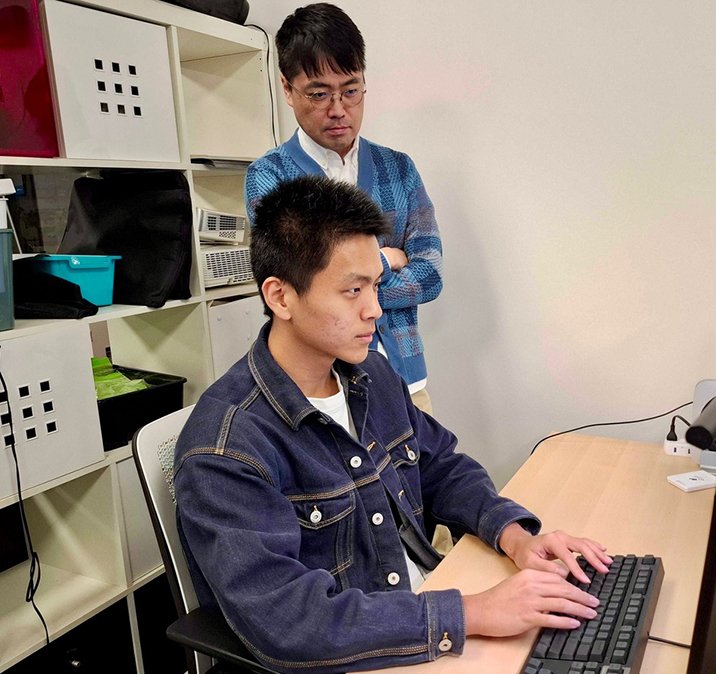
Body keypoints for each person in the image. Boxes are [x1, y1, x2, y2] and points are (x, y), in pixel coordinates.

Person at [175, 175, 613, 674]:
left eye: (376, 285)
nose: (375, 310)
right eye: (352, 291)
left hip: (418, 616)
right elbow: (288, 622)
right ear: (281, 297)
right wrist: (478, 611)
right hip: (357, 654)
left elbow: (441, 466)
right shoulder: (226, 446)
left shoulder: (372, 375)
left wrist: (516, 537)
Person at [245, 3, 441, 415]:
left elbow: (432, 275)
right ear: (287, 88)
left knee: (428, 476)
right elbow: (299, 293)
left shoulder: (398, 168)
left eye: (351, 90)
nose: (338, 109)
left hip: (406, 379)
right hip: (317, 388)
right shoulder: (270, 176)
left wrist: (351, 283)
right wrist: (387, 261)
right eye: (318, 93)